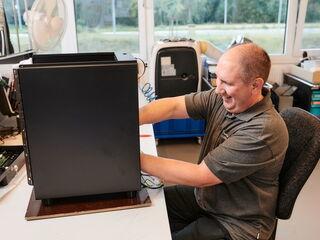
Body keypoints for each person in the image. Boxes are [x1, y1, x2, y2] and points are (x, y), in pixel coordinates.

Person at [139, 43, 289, 240]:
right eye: (217, 78)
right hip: (209, 197)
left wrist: (132, 158)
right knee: (148, 212)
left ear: (255, 85)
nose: (218, 89)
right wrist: (128, 120)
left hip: (238, 224)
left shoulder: (263, 129)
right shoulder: (223, 97)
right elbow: (174, 106)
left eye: (227, 82)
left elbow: (200, 175)